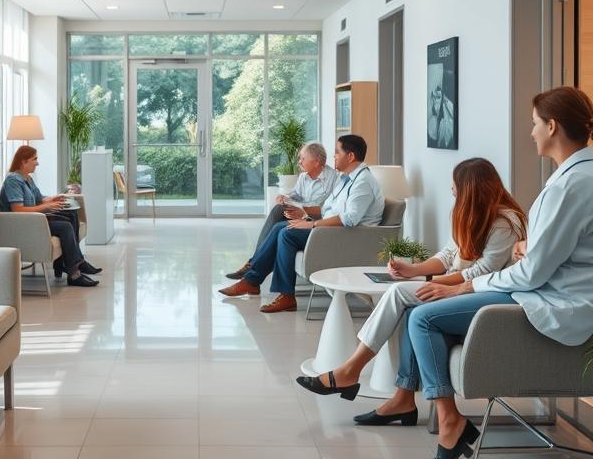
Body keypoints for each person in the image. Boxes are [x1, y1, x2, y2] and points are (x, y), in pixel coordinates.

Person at [346, 86, 593, 459]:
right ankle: (418, 407)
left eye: (535, 123)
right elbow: (547, 254)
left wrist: (464, 288)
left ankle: (449, 421)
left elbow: (532, 274)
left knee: (422, 318)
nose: (531, 131)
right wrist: (528, 248)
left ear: (553, 127)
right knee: (416, 310)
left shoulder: (571, 187)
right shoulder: (580, 179)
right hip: (545, 291)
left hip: (552, 302)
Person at [294, 158, 527, 409]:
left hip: (483, 295)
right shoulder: (471, 213)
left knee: (398, 294)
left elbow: (482, 272)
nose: (451, 190)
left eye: (455, 185)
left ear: (471, 188)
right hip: (463, 289)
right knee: (410, 309)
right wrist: (413, 269)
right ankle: (401, 398)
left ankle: (351, 371)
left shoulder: (504, 223)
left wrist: (434, 282)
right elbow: (447, 255)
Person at [218, 135, 385, 313]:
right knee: (279, 227)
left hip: (344, 236)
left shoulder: (362, 182)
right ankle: (254, 282)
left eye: (337, 152)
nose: (334, 156)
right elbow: (328, 208)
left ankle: (279, 293)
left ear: (350, 156)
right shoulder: (347, 179)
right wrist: (305, 215)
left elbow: (350, 219)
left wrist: (312, 225)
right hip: (332, 230)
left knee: (287, 233)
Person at [225, 142, 339, 280]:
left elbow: (329, 210)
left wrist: (303, 211)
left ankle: (252, 265)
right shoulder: (304, 177)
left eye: (303, 158)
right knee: (279, 209)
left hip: (316, 221)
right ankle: (252, 264)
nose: (299, 162)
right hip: (301, 216)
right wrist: (286, 197)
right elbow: (297, 195)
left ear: (316, 162)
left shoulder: (334, 179)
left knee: (280, 227)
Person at [0, 145, 102, 287]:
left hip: (35, 220)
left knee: (71, 214)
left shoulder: (27, 178)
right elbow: (18, 209)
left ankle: (68, 264)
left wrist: (53, 199)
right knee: (65, 226)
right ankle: (74, 273)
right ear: (23, 161)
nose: (37, 163)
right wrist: (46, 207)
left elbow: (39, 199)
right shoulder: (13, 181)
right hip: (24, 225)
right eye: (34, 159)